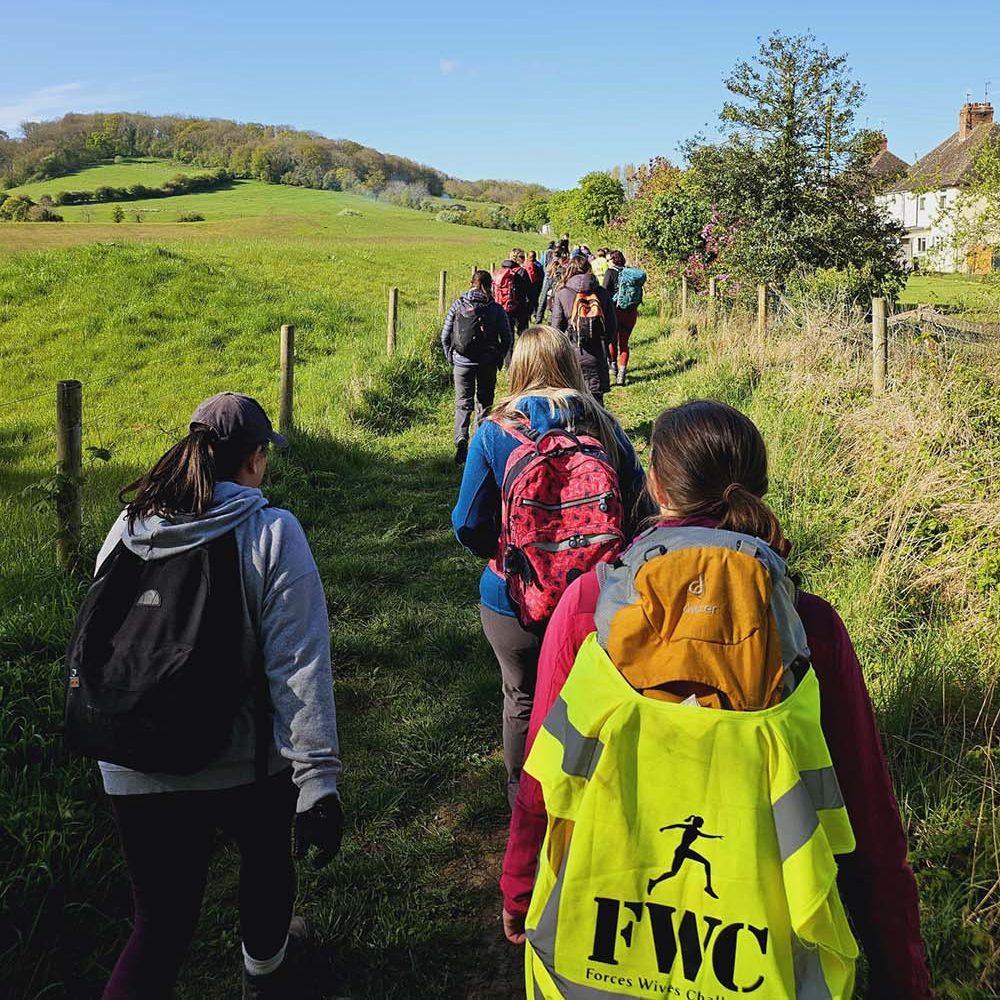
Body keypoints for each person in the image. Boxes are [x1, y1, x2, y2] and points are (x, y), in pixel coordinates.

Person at [500, 400, 931, 998]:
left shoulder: (588, 610)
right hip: (756, 957)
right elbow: (869, 823)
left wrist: (520, 890)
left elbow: (544, 778)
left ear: (654, 488)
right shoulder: (807, 628)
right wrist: (902, 972)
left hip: (607, 943)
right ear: (758, 489)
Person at [86, 393, 344, 1000]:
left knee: (158, 923)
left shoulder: (128, 528)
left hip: (130, 756)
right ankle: (266, 975)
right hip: (241, 762)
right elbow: (299, 667)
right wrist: (317, 783)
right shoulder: (272, 532)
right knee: (266, 866)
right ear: (254, 459)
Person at [451, 327, 649, 808]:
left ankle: (525, 800)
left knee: (521, 698)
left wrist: (510, 553)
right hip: (596, 600)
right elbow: (641, 508)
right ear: (569, 364)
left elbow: (467, 524)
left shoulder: (495, 431)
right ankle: (589, 798)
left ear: (517, 366)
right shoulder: (604, 424)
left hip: (513, 600)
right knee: (589, 696)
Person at [441, 270, 512, 466]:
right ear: (490, 285)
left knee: (462, 403)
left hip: (462, 362)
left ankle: (461, 439)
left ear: (470, 283)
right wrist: (498, 357)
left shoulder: (458, 304)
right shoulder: (496, 308)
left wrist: (452, 358)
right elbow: (507, 338)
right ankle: (480, 447)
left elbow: (445, 336)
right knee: (485, 403)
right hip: (487, 362)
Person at [549, 254, 617, 404]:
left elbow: (556, 328)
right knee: (596, 400)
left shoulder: (562, 293)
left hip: (572, 353)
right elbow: (612, 326)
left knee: (572, 399)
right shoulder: (601, 292)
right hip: (596, 353)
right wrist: (603, 343)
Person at [610, 254, 647, 386]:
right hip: (631, 313)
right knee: (624, 343)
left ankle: (613, 367)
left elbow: (605, 291)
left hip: (615, 311)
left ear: (613, 260)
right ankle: (622, 373)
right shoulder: (631, 274)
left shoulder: (610, 273)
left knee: (612, 341)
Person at [493, 258, 532, 352]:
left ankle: (509, 358)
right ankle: (524, 354)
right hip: (521, 307)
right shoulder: (521, 272)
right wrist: (530, 308)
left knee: (508, 334)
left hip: (504, 307)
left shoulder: (499, 273)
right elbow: (529, 291)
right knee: (523, 334)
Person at [522, 250, 544, 322]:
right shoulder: (539, 265)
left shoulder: (525, 264)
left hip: (527, 285)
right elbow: (542, 276)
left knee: (528, 301)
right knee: (535, 301)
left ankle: (528, 316)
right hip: (536, 285)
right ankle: (536, 315)